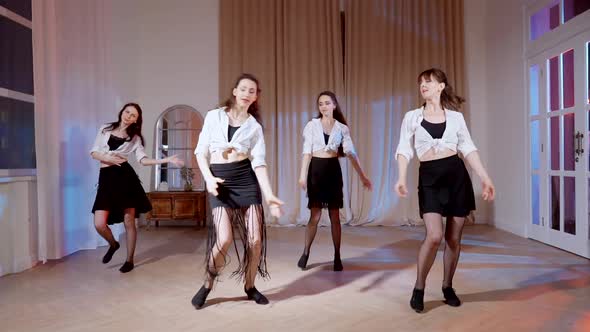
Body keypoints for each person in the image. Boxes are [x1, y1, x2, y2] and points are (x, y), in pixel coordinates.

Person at [394, 68, 495, 313]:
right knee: (434, 236)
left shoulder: (456, 118)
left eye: (428, 81)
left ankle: (447, 287)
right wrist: (401, 177)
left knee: (453, 239)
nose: (423, 85)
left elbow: (468, 148)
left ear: (441, 86)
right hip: (429, 178)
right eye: (420, 82)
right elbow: (404, 149)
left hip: (456, 177)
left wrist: (484, 178)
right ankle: (418, 287)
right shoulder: (412, 117)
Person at [191, 73, 284, 309]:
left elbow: (259, 163)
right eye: (243, 89)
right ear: (235, 91)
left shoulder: (254, 127)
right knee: (223, 239)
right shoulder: (214, 116)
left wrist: (270, 194)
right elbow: (201, 152)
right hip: (219, 182)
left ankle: (250, 286)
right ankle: (207, 284)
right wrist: (209, 179)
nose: (247, 94)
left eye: (252, 91)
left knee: (255, 240)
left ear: (256, 97)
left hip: (246, 180)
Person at [90, 102, 184, 273]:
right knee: (99, 224)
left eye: (133, 115)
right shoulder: (105, 129)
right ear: (122, 112)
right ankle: (113, 244)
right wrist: (109, 159)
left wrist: (166, 160)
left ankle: (129, 260)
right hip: (106, 179)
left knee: (129, 221)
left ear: (136, 120)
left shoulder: (135, 138)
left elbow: (143, 159)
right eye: (127, 112)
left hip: (125, 179)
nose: (129, 116)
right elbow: (94, 152)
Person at [296, 91, 372, 272]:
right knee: (314, 216)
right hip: (316, 171)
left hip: (332, 172)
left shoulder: (342, 128)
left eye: (327, 103)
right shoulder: (312, 125)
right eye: (321, 103)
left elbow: (351, 153)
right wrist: (301, 175)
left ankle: (337, 256)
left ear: (334, 105)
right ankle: (306, 252)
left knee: (335, 216)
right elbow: (307, 151)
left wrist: (362, 176)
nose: (324, 106)